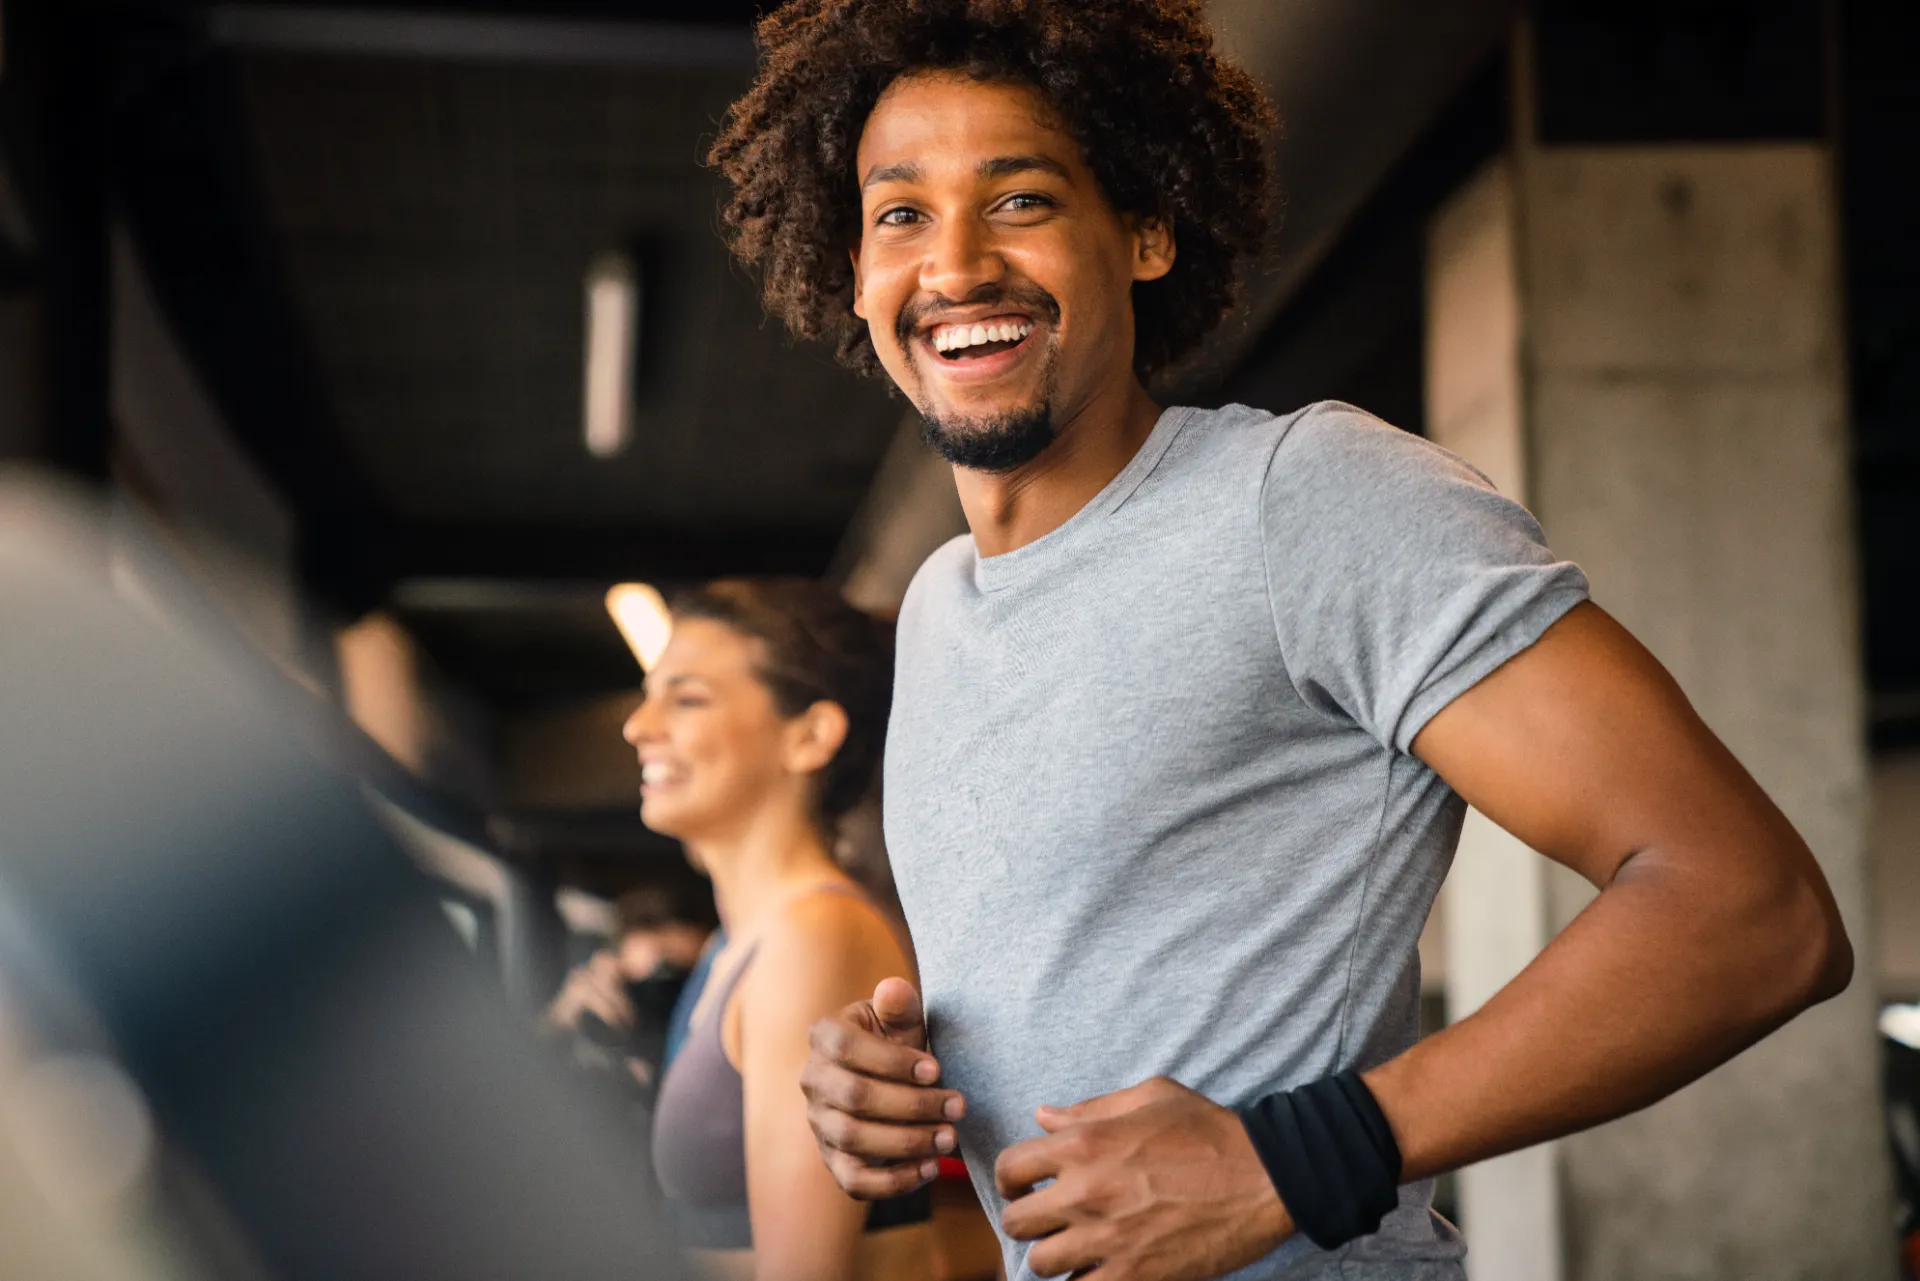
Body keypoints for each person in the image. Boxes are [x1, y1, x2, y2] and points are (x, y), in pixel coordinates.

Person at [703, 4, 1856, 1280]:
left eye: (1020, 200)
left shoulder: (1302, 498)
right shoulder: (935, 605)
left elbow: (1755, 909)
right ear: (852, 270)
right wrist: (875, 1078)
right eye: (900, 213)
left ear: (1143, 233)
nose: (955, 264)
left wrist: (1288, 1160)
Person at [624, 578, 934, 1280]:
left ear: (810, 734)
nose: (637, 726)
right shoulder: (732, 944)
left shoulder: (814, 936)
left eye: (687, 697)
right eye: (648, 694)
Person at [546, 883, 717, 1103]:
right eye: (651, 982)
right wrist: (558, 1025)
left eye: (683, 980)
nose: (667, 1000)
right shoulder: (606, 1058)